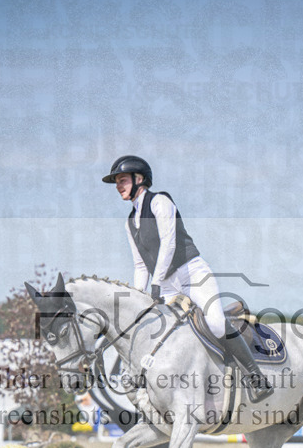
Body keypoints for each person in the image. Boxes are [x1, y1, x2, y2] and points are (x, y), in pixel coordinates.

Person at [102, 155, 272, 401]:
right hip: (167, 283)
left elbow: (169, 245)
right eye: (116, 181)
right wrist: (139, 299)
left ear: (140, 179)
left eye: (122, 180)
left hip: (192, 273)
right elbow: (140, 264)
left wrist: (156, 282)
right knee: (155, 329)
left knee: (214, 322)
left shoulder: (160, 202)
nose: (118, 185)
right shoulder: (130, 222)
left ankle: (256, 378)